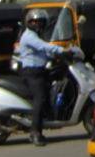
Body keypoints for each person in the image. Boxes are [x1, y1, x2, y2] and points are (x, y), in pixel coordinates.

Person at [17, 9, 69, 146]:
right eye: (34, 22)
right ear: (29, 23)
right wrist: (63, 50)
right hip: (32, 73)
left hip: (40, 72)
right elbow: (43, 46)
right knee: (40, 99)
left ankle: (43, 125)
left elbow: (44, 52)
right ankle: (34, 132)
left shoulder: (36, 36)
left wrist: (56, 55)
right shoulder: (29, 36)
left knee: (46, 95)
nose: (37, 24)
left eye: (40, 22)